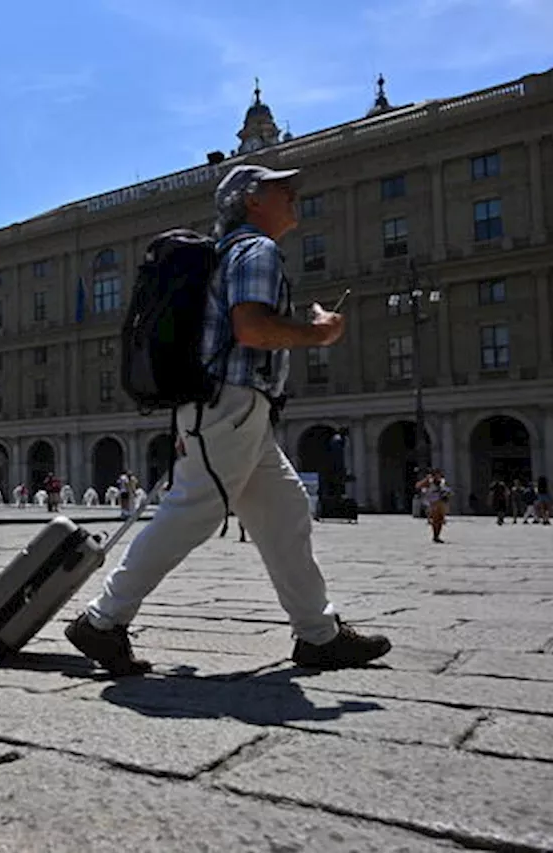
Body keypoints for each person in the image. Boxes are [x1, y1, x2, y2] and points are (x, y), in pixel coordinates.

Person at [65, 163, 391, 675]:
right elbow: (252, 328)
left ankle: (318, 635)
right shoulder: (255, 248)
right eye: (283, 189)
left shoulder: (232, 250)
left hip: (234, 410)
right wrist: (319, 334)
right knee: (192, 511)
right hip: (232, 403)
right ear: (252, 199)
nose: (293, 196)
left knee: (285, 514)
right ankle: (103, 621)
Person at [416, 469, 452, 543]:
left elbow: (449, 490)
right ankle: (435, 536)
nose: (437, 476)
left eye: (439, 474)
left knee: (441, 519)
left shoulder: (443, 482)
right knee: (435, 519)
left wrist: (447, 493)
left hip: (441, 501)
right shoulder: (429, 481)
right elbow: (418, 486)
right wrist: (426, 480)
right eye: (436, 474)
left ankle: (437, 535)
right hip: (432, 502)